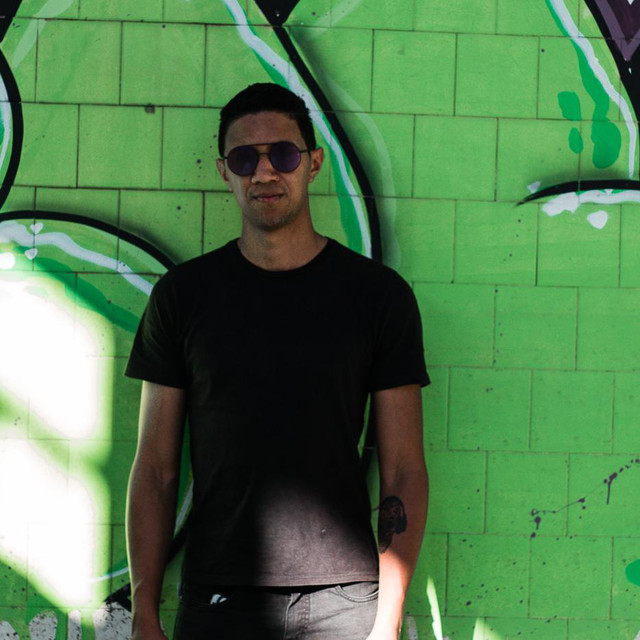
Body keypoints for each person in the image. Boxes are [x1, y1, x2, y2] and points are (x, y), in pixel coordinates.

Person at [125, 82, 429, 640]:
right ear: (224, 172)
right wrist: (144, 611)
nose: (264, 172)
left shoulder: (377, 297)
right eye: (245, 159)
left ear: (313, 163)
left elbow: (404, 469)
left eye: (283, 154)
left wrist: (388, 619)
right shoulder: (183, 297)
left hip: (346, 602)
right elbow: (155, 470)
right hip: (218, 597)